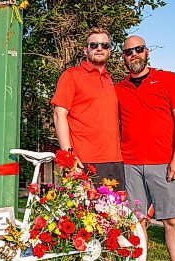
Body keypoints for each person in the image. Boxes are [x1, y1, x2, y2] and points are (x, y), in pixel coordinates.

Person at [115, 36, 175, 261]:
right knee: (137, 222)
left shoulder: (168, 80)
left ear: (146, 52)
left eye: (138, 49)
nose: (133, 55)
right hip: (130, 164)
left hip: (164, 163)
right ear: (124, 57)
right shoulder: (119, 88)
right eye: (128, 52)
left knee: (172, 220)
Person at [51, 27, 124, 190]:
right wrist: (69, 158)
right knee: (85, 215)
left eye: (104, 45)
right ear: (85, 50)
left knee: (116, 214)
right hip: (84, 161)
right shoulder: (71, 75)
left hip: (115, 162)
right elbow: (59, 115)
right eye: (94, 45)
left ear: (110, 51)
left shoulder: (110, 80)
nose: (99, 48)